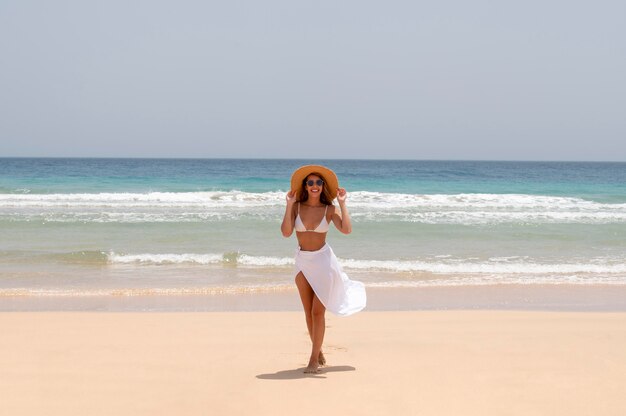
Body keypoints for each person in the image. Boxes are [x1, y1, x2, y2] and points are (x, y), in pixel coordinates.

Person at [281, 165, 366, 373]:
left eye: (318, 182)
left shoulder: (329, 209)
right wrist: (289, 205)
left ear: (323, 186)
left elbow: (346, 230)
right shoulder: (297, 207)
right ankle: (318, 351)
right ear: (305, 186)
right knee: (308, 313)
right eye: (310, 182)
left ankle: (312, 360)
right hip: (303, 262)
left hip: (324, 264)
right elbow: (285, 232)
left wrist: (342, 204)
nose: (314, 186)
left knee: (318, 313)